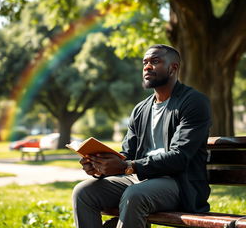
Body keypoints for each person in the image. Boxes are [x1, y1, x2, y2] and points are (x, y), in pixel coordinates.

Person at [72, 44, 212, 228]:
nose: (147, 67)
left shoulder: (194, 102)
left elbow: (180, 157)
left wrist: (129, 166)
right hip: (140, 179)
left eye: (155, 61)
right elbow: (127, 154)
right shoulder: (141, 109)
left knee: (135, 195)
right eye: (144, 62)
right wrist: (101, 166)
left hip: (179, 183)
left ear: (173, 68)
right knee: (83, 192)